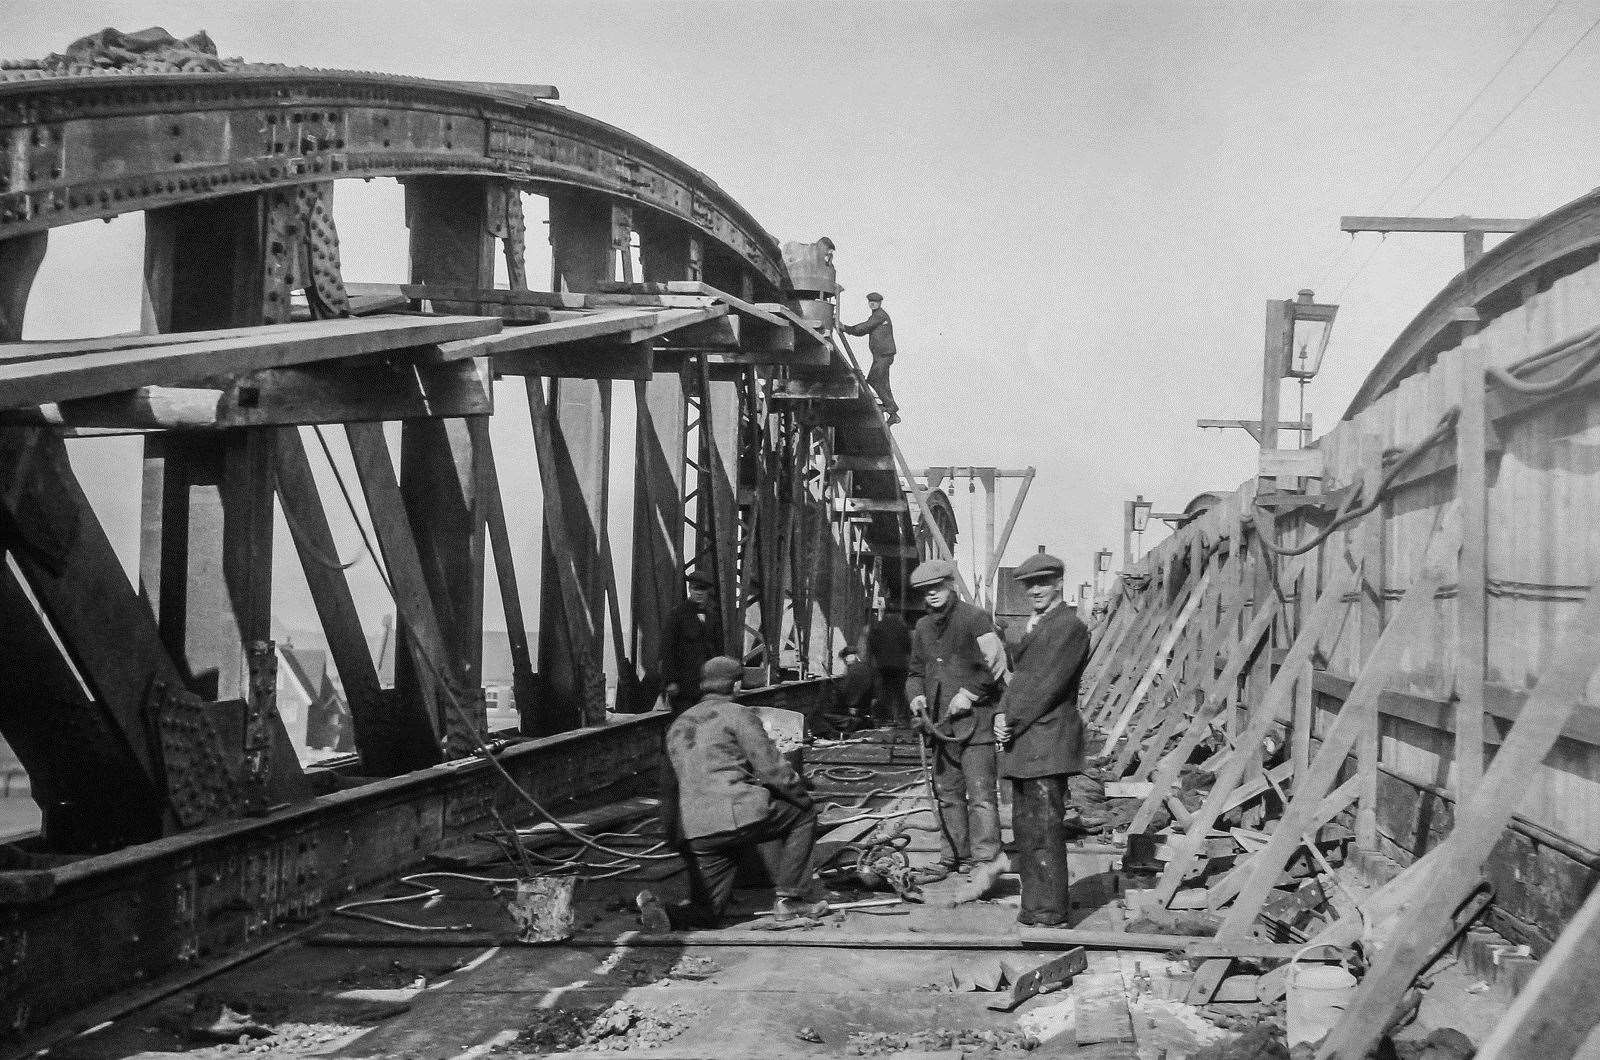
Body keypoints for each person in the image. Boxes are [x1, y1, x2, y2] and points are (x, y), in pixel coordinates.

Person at [638, 657, 826, 930]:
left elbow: (667, 789)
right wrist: (801, 794)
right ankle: (791, 901)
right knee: (803, 814)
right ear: (736, 685)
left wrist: (674, 835)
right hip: (738, 816)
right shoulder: (739, 714)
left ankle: (664, 914)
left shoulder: (677, 724)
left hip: (697, 833)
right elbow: (772, 769)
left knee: (708, 914)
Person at [993, 552, 1092, 927]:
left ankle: (1049, 910)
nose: (1035, 590)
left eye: (1043, 583)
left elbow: (1042, 687)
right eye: (1029, 585)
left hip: (1047, 740)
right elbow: (1021, 681)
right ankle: (1036, 907)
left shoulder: (1067, 627)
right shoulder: (1042, 625)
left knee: (1044, 829)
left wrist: (1009, 719)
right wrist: (1002, 715)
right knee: (1028, 828)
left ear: (1058, 584)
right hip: (1032, 742)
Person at [905, 559, 1007, 881]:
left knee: (981, 796)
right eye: (926, 591)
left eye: (937, 587)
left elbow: (997, 662)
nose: (932, 595)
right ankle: (952, 857)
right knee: (948, 796)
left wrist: (971, 693)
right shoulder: (922, 628)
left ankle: (986, 860)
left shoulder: (975, 618)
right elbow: (914, 673)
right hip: (941, 728)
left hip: (976, 725)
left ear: (950, 584)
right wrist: (916, 695)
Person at [660, 570, 723, 714]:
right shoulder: (677, 615)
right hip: (684, 687)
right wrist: (670, 681)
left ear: (708, 592)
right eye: (695, 588)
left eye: (703, 589)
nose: (699, 593)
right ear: (690, 590)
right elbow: (667, 649)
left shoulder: (713, 617)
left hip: (707, 687)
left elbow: (719, 649)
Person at [841, 292, 900, 425]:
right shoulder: (877, 316)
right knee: (883, 383)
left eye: (875, 302)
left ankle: (891, 408)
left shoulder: (879, 316)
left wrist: (846, 328)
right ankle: (893, 413)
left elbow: (863, 328)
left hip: (883, 356)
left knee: (874, 380)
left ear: (879, 303)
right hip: (881, 356)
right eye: (870, 302)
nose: (872, 303)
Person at [866, 610, 912, 725]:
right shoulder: (902, 628)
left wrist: (876, 658)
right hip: (900, 665)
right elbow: (908, 645)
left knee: (884, 691)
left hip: (883, 665)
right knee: (900, 692)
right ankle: (902, 719)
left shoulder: (878, 627)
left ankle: (884, 718)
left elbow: (872, 644)